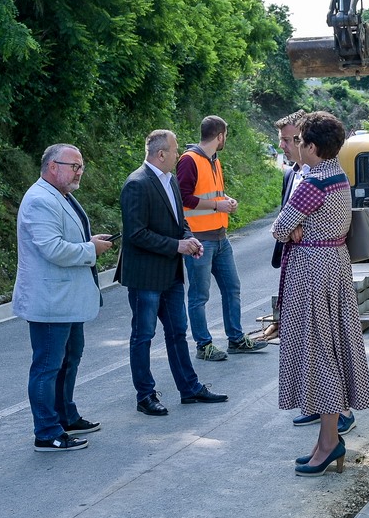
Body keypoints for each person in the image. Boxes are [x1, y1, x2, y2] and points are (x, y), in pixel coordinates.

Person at [272, 111, 369, 475]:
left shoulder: (312, 182)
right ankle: (325, 440)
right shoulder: (337, 175)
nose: (295, 146)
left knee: (319, 353)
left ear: (312, 147)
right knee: (329, 349)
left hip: (313, 270)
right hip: (334, 265)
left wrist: (294, 228)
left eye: (299, 141)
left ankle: (329, 443)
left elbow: (279, 228)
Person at [118, 129, 228, 416]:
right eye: (175, 149)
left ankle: (189, 388)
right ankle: (145, 395)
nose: (179, 154)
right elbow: (136, 234)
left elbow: (180, 220)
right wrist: (177, 245)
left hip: (170, 273)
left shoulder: (170, 181)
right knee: (143, 335)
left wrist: (189, 240)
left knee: (178, 332)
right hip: (145, 276)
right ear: (161, 153)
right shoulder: (137, 184)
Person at [14, 144, 113, 452]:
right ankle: (46, 431)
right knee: (47, 366)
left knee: (70, 359)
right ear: (53, 166)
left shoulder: (59, 195)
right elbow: (53, 249)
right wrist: (91, 249)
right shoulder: (40, 200)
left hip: (66, 300)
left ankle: (64, 416)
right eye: (74, 166)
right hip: (50, 303)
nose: (79, 171)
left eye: (81, 166)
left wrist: (89, 242)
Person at [178, 115, 266, 362]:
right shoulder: (189, 160)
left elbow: (211, 193)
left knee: (232, 288)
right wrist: (218, 206)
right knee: (199, 295)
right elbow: (184, 198)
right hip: (199, 241)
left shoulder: (214, 160)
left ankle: (236, 339)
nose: (225, 139)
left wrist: (226, 200)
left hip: (220, 238)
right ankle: (203, 345)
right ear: (219, 136)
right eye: (225, 135)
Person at [265, 110, 309, 342]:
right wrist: (289, 226)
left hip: (311, 264)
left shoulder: (322, 177)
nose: (281, 145)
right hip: (289, 258)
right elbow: (284, 216)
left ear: (301, 139)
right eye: (281, 139)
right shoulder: (289, 175)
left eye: (285, 140)